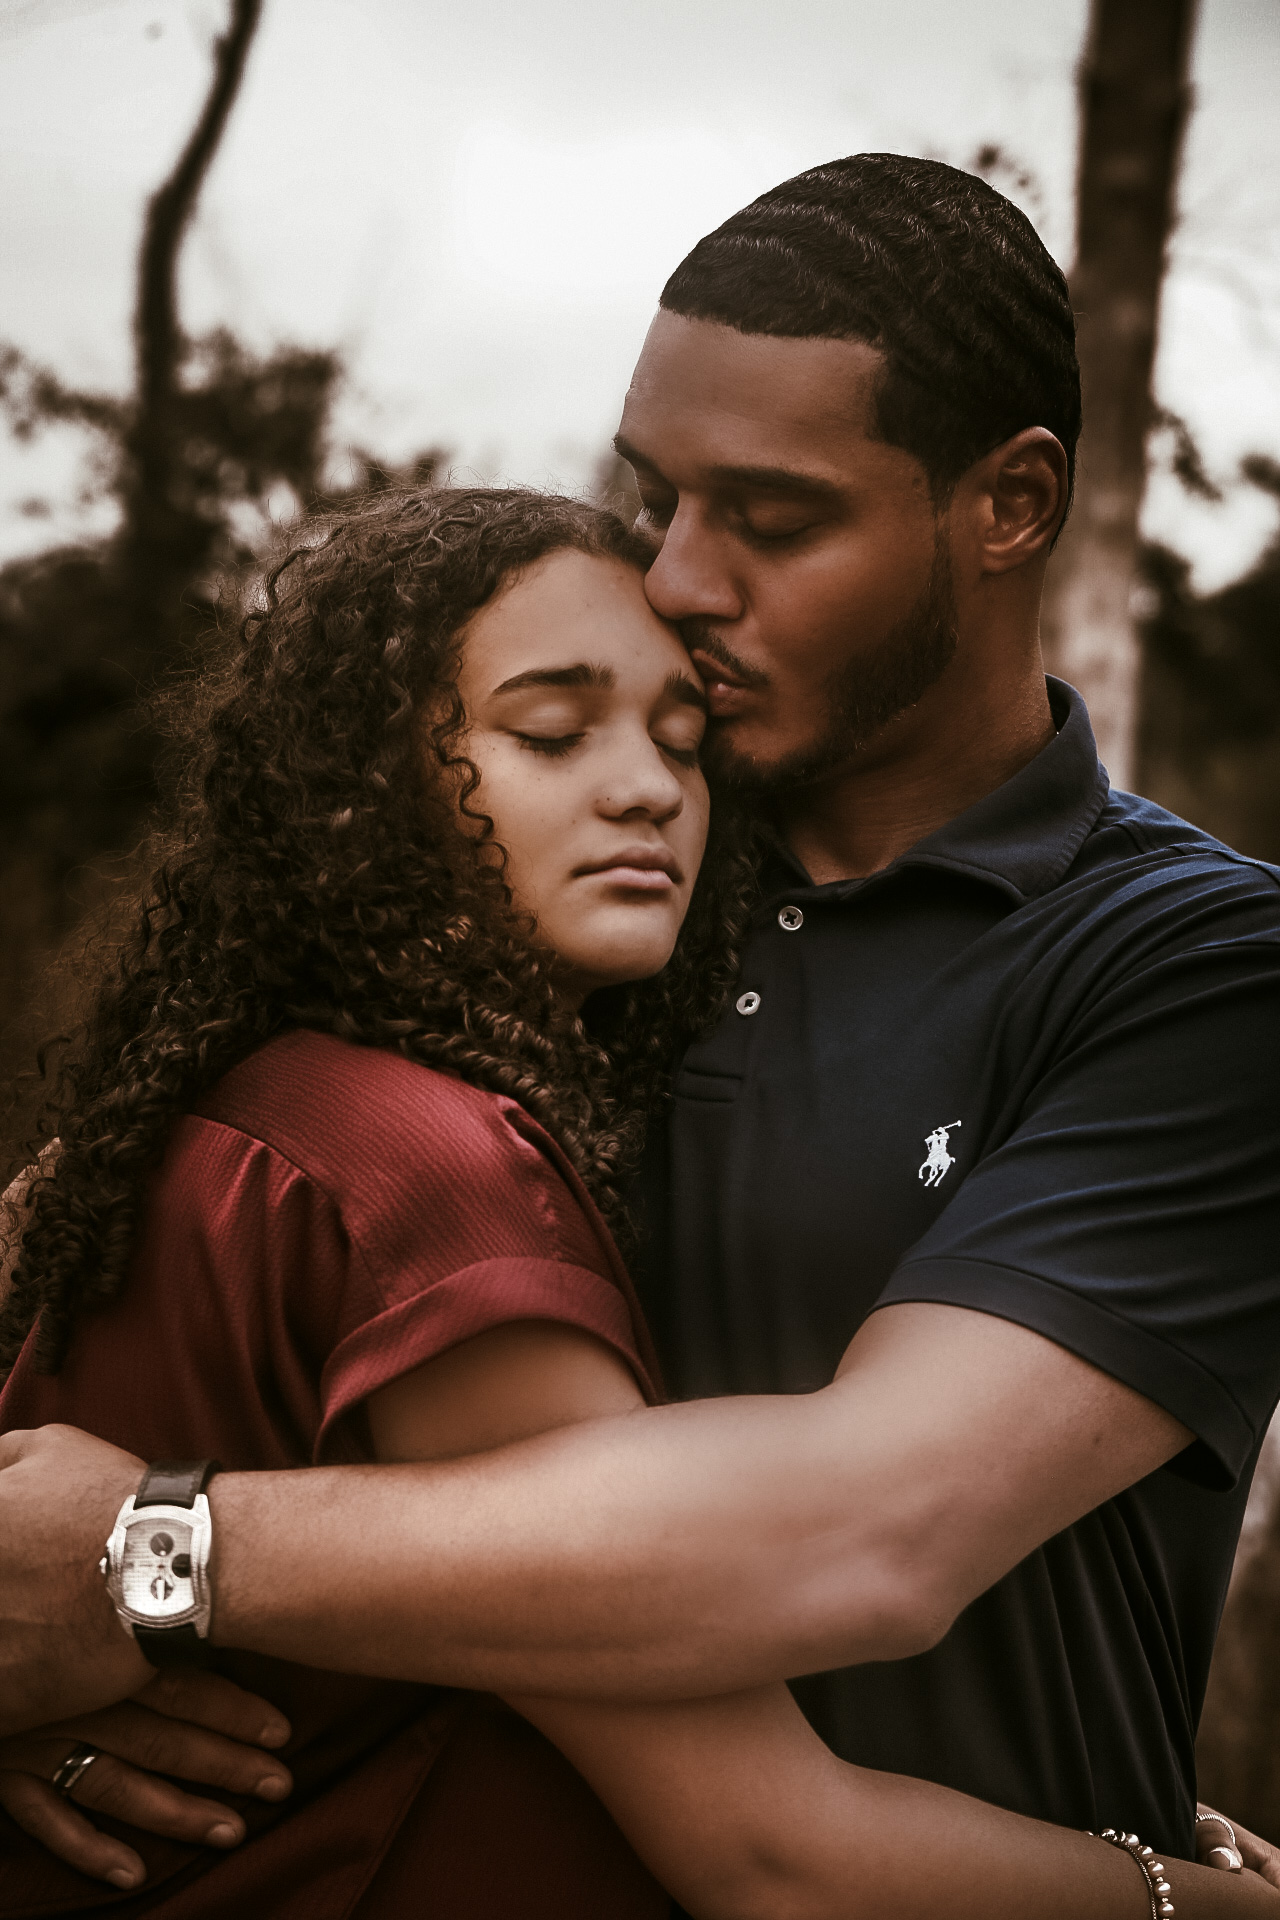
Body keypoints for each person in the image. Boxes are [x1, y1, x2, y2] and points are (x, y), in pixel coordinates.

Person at [3, 152, 1280, 1905]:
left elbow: (867, 1534)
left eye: (769, 518)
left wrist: (148, 1556)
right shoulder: (539, 912)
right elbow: (89, 1262)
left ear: (1010, 503)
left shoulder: (1193, 969)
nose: (676, 577)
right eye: (654, 494)